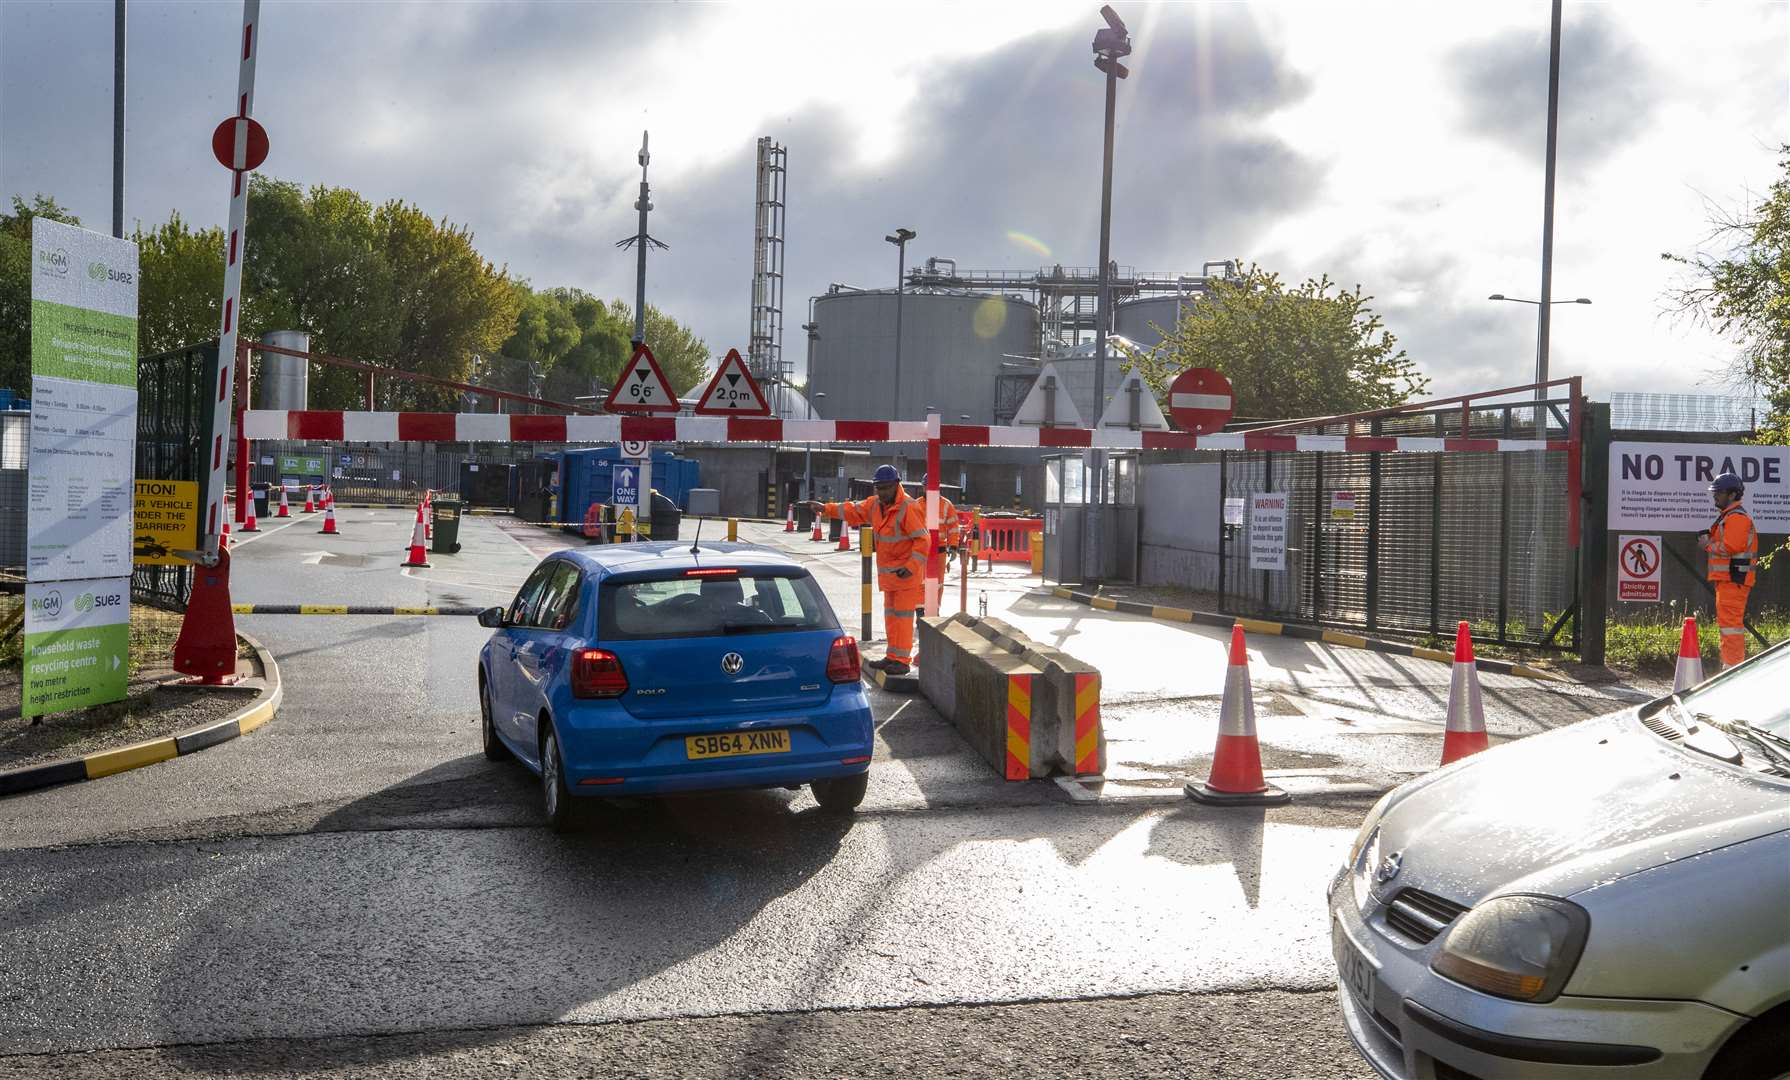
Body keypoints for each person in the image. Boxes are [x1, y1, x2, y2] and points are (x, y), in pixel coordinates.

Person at [805, 465, 928, 675]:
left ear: (896, 485)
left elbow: (923, 540)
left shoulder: (908, 507)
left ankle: (901, 660)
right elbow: (851, 510)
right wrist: (825, 509)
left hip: (906, 577)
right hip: (890, 577)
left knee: (903, 620)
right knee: (891, 618)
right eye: (879, 488)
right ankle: (893, 656)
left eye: (886, 488)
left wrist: (910, 567)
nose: (882, 492)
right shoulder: (875, 505)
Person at [1699, 472, 1758, 669]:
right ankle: (1731, 666)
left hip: (1734, 580)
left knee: (1731, 626)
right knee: (1729, 625)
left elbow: (1731, 546)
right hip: (1730, 580)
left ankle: (1732, 668)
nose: (1714, 495)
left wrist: (1708, 544)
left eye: (1719, 492)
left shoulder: (1736, 518)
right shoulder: (1729, 517)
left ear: (1732, 495)